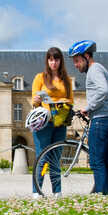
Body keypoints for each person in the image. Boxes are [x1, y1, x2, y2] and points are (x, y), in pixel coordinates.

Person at [68, 39, 108, 195]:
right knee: (107, 161)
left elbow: (103, 91)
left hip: (101, 121)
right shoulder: (99, 69)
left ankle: (102, 196)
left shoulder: (94, 70)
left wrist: (88, 107)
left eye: (77, 60)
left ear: (87, 56)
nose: (76, 65)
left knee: (96, 161)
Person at [30, 47, 73, 197]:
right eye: (51, 59)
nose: (53, 62)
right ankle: (37, 191)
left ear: (61, 61)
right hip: (44, 122)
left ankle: (57, 192)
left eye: (56, 59)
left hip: (60, 122)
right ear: (47, 61)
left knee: (55, 159)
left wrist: (63, 101)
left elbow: (71, 100)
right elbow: (34, 102)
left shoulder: (66, 80)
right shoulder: (40, 78)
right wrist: (36, 101)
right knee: (42, 158)